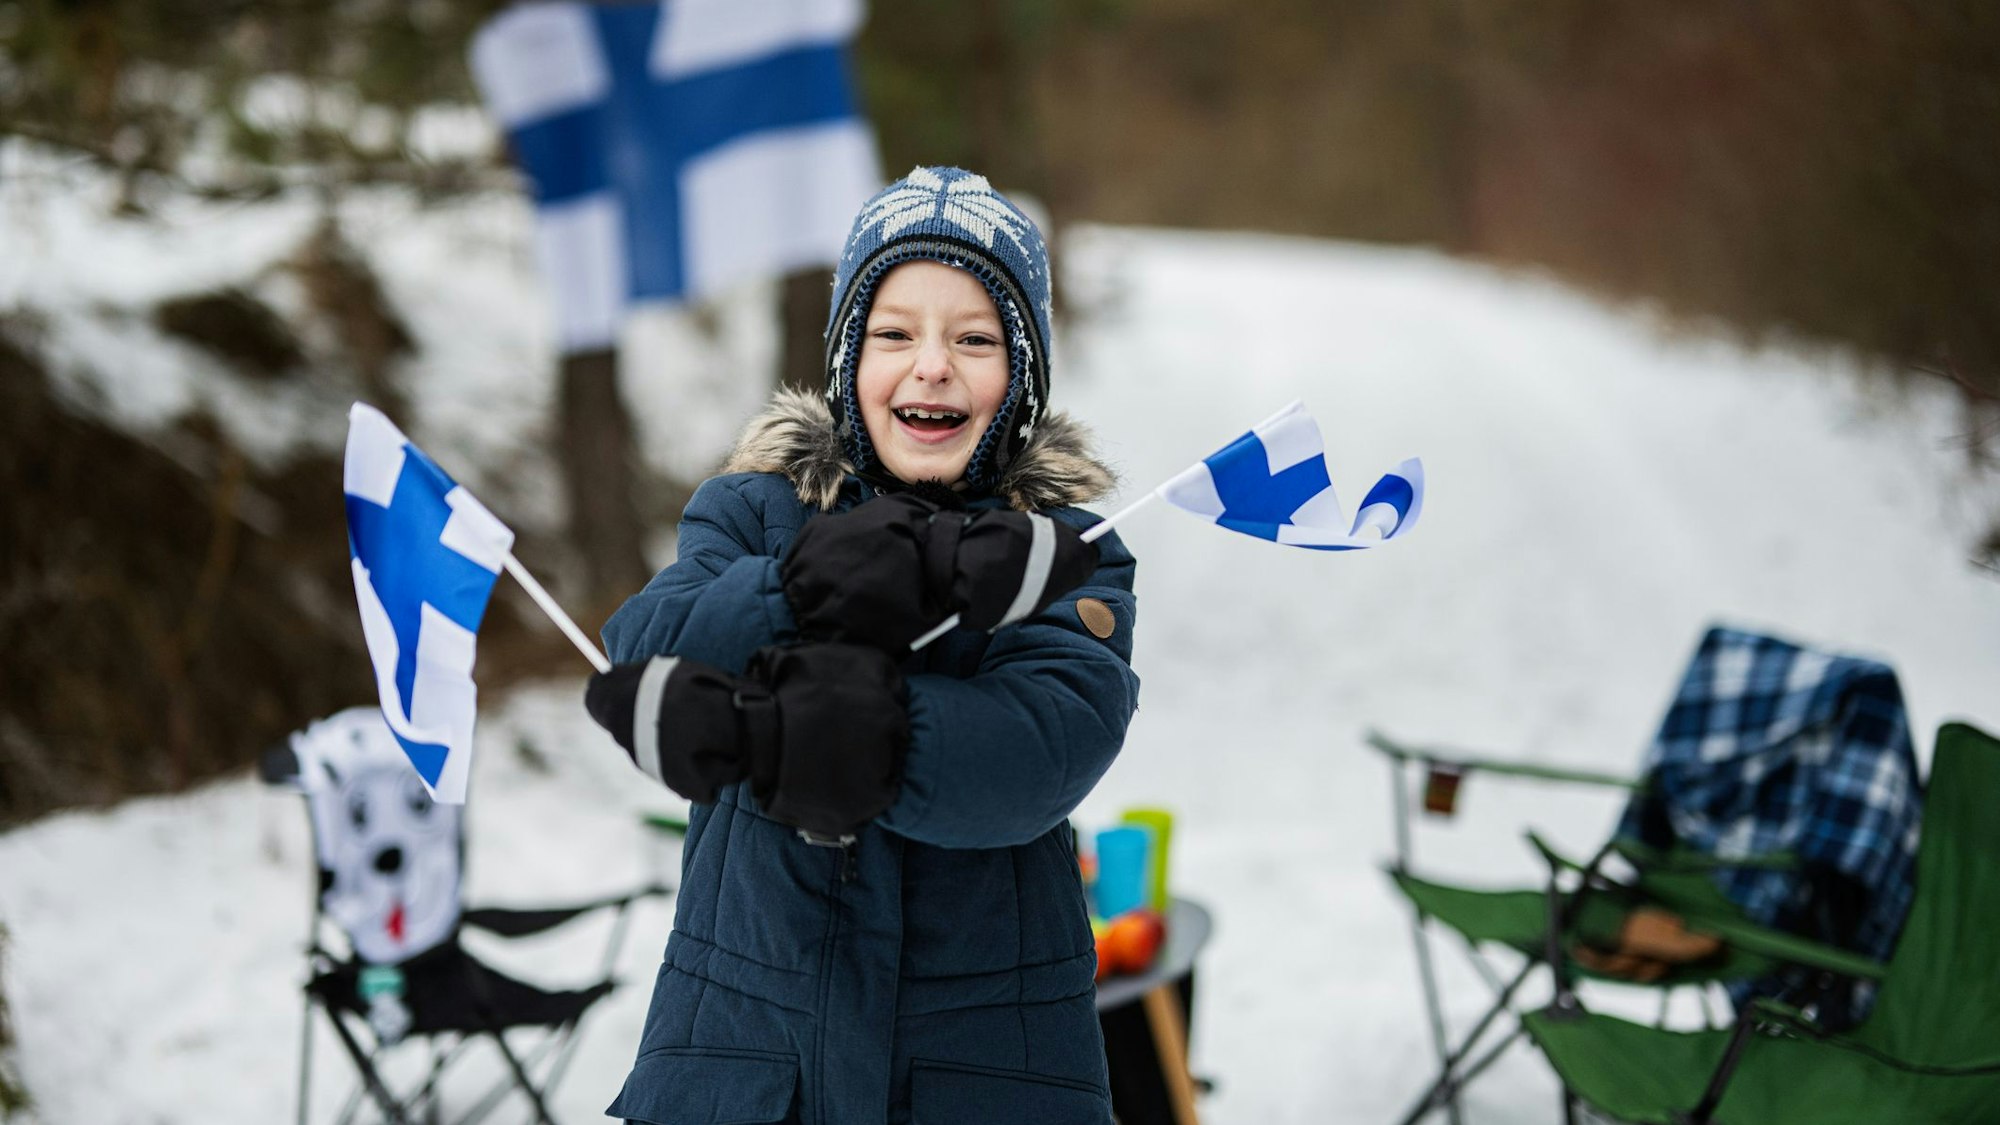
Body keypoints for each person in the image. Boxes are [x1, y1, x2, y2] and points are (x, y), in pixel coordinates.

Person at [583, 166, 1139, 1125]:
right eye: (895, 334)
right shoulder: (753, 509)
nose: (932, 366)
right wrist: (795, 584)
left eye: (974, 338)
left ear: (1022, 376)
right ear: (846, 361)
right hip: (746, 1062)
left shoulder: (1058, 552)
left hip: (985, 1068)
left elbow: (1044, 744)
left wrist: (832, 738)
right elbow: (650, 653)